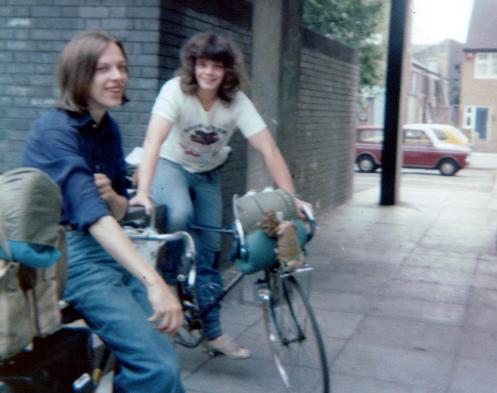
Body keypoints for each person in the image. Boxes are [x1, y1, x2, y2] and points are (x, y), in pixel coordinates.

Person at [130, 31, 313, 359]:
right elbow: (153, 141)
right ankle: (168, 281)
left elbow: (267, 148)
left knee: (212, 248)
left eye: (217, 66)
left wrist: (292, 198)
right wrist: (143, 191)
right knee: (180, 214)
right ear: (192, 66)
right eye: (203, 64)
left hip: (207, 174)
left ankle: (213, 333)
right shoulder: (175, 91)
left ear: (228, 70)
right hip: (169, 164)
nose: (209, 72)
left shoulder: (237, 102)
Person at [22, 29, 185, 393]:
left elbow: (120, 208)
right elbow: (94, 220)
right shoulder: (54, 129)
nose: (117, 77)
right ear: (79, 74)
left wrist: (113, 196)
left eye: (122, 67)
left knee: (162, 352)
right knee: (155, 367)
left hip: (108, 245)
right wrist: (155, 282)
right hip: (70, 255)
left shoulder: (107, 128)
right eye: (102, 69)